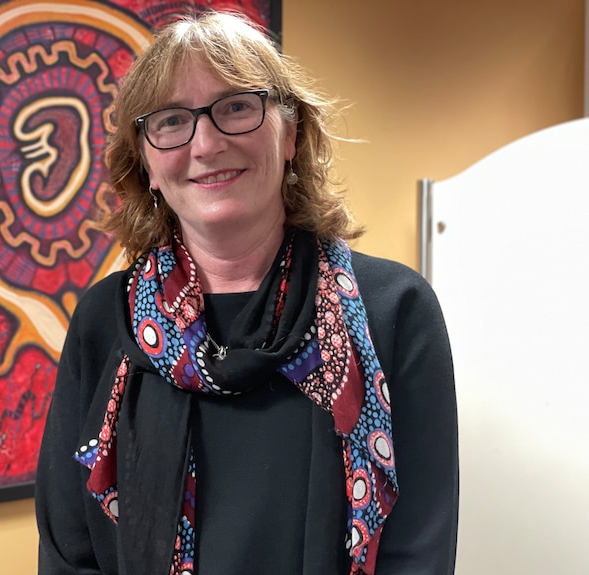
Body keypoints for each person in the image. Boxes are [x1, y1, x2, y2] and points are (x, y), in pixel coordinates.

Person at [35, 10, 458, 575]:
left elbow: (420, 552)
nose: (206, 143)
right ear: (148, 165)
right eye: (170, 121)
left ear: (291, 134)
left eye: (236, 106)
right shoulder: (106, 322)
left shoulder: (395, 309)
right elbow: (68, 549)